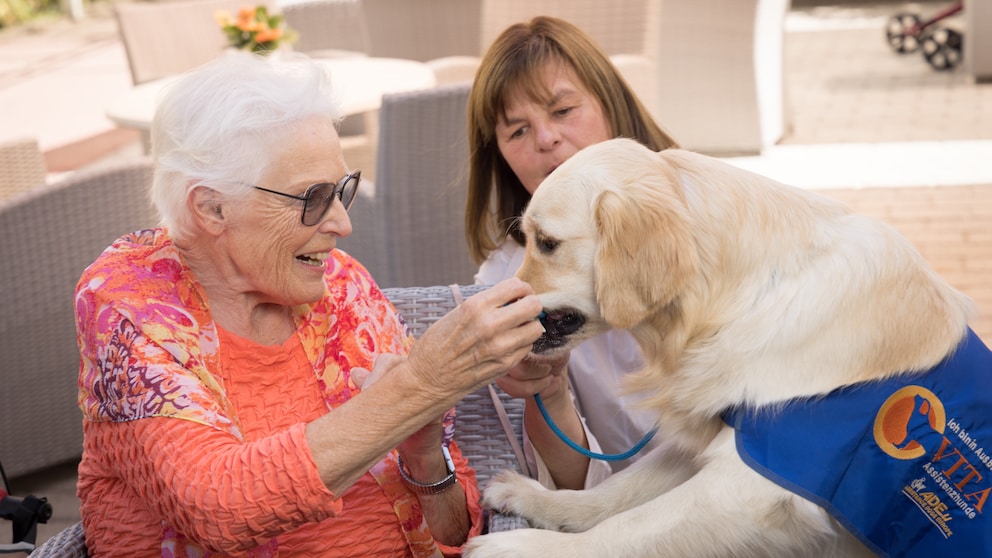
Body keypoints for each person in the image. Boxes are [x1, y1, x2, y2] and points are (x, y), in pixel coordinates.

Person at [74, 51, 545, 557]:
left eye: (341, 189)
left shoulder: (342, 287)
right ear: (211, 208)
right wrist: (420, 385)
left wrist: (425, 457)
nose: (342, 224)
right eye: (313, 197)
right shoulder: (131, 305)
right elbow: (221, 508)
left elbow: (458, 535)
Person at [464, 16, 680, 491]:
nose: (546, 139)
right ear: (499, 156)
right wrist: (551, 392)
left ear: (611, 103)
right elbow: (575, 485)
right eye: (517, 131)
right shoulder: (507, 281)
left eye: (562, 110)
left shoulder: (699, 213)